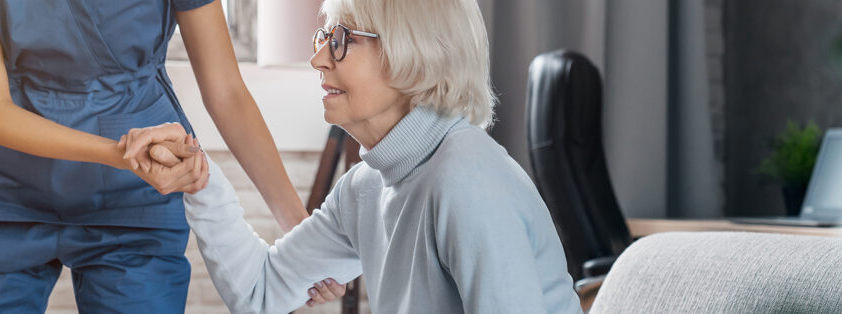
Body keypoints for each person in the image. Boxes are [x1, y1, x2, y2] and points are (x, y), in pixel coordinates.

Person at [123, 0, 582, 312]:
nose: (319, 59)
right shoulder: (366, 187)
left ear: (413, 52)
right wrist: (198, 179)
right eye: (322, 37)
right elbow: (262, 290)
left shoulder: (468, 179)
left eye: (341, 39)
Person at [0, 0, 343, 312]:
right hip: (1, 192)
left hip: (134, 196)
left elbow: (227, 92)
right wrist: (119, 153)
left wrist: (298, 233)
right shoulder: (123, 156)